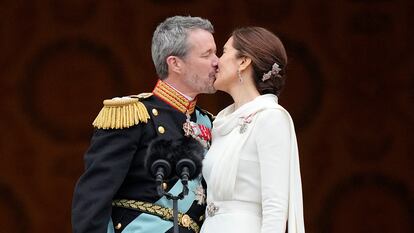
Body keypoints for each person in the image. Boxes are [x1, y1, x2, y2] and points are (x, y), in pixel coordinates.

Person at [72, 15, 218, 233]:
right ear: (175, 63)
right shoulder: (134, 114)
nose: (217, 61)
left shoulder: (211, 122)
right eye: (207, 55)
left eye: (215, 52)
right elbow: (93, 196)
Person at [200, 27, 305, 233]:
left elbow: (275, 207)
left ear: (243, 61)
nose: (216, 61)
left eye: (224, 52)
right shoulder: (221, 123)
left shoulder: (270, 117)